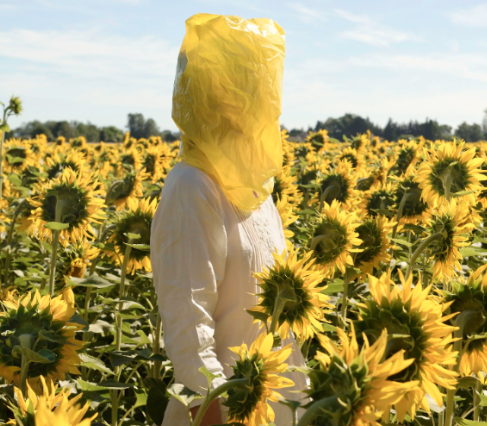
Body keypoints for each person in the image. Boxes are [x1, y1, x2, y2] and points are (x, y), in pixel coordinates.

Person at [151, 13, 307, 426]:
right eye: (240, 89)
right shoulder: (191, 187)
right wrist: (216, 410)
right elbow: (188, 330)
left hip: (274, 409)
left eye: (258, 87)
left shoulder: (257, 189)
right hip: (219, 414)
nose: (256, 102)